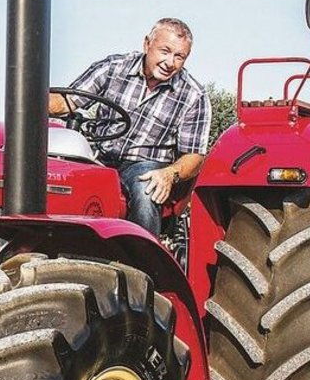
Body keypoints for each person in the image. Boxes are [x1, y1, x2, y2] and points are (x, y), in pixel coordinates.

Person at [49, 18, 211, 236]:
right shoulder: (113, 68)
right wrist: (32, 94)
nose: (170, 62)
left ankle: (145, 263)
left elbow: (194, 157)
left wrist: (169, 173)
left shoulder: (193, 95)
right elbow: (66, 102)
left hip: (144, 165)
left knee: (147, 190)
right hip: (98, 157)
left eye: (179, 56)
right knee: (55, 178)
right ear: (147, 44)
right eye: (165, 51)